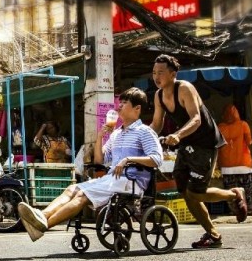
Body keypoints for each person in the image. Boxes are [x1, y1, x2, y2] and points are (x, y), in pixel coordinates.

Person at [17, 87, 163, 242]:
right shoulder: (116, 134)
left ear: (137, 108)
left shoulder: (144, 131)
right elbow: (100, 160)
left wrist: (128, 159)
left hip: (130, 181)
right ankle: (42, 216)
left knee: (83, 195)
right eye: (120, 102)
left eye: (124, 103)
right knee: (72, 189)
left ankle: (43, 225)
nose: (119, 106)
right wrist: (100, 136)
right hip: (113, 180)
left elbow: (157, 158)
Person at [150, 54, 247, 249]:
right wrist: (140, 137)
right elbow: (157, 124)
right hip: (186, 144)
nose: (156, 77)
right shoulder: (159, 96)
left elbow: (196, 119)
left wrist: (177, 135)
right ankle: (213, 235)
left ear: (173, 74)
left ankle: (234, 195)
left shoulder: (184, 88)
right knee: (185, 192)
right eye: (154, 72)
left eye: (161, 72)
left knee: (197, 192)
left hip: (205, 143)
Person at [218, 103, 252, 215]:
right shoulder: (243, 125)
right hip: (243, 164)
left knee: (231, 191)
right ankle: (248, 209)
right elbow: (249, 141)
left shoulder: (220, 127)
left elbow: (217, 144)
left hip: (227, 165)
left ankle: (234, 210)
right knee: (246, 189)